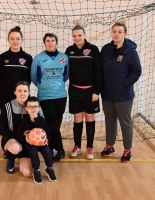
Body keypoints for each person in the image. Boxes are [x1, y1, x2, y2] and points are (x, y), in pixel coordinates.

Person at [100, 22, 142, 162]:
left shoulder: (130, 51)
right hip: (107, 94)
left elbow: (137, 71)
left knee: (125, 123)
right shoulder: (106, 49)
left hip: (123, 95)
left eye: (119, 31)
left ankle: (127, 150)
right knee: (110, 121)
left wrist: (124, 84)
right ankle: (110, 146)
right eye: (114, 31)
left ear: (125, 34)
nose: (116, 34)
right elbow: (101, 70)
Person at [65, 24, 103, 160]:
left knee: (90, 118)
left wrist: (96, 91)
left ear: (84, 35)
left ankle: (90, 147)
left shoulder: (93, 50)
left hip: (90, 91)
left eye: (79, 35)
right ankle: (77, 146)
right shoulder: (69, 50)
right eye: (74, 36)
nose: (77, 38)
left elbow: (99, 72)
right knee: (77, 119)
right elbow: (61, 64)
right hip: (74, 90)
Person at [0, 26, 33, 159]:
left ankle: (24, 146)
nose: (15, 41)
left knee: (22, 120)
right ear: (8, 40)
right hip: (5, 95)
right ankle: (8, 147)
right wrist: (8, 87)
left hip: (22, 96)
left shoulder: (28, 58)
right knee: (7, 122)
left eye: (17, 39)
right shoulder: (2, 57)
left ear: (22, 40)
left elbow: (29, 78)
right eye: (12, 39)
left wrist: (20, 92)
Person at [31, 33, 69, 162]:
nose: (50, 43)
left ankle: (50, 147)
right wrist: (43, 86)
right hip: (45, 96)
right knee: (52, 122)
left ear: (56, 42)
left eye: (53, 40)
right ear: (45, 43)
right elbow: (33, 76)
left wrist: (57, 85)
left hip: (61, 95)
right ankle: (60, 149)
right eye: (48, 41)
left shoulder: (64, 57)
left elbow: (66, 75)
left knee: (56, 123)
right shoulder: (38, 58)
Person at [0, 81, 44, 176]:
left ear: (29, 93)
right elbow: (0, 129)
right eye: (19, 91)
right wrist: (19, 136)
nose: (22, 93)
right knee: (15, 148)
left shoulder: (34, 106)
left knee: (27, 173)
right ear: (15, 92)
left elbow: (42, 126)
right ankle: (11, 159)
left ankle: (23, 158)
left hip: (27, 143)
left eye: (25, 91)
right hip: (12, 140)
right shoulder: (7, 106)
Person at [16, 97, 56, 184]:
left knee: (47, 150)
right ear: (26, 108)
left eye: (35, 106)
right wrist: (25, 138)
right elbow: (18, 134)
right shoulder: (24, 122)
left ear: (39, 108)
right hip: (29, 143)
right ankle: (36, 170)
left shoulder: (43, 121)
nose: (33, 109)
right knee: (33, 151)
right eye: (30, 107)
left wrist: (47, 140)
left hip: (41, 143)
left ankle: (50, 168)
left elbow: (48, 133)